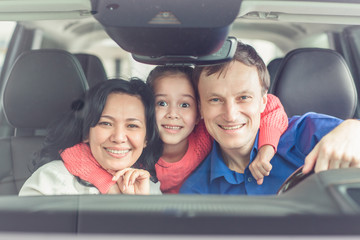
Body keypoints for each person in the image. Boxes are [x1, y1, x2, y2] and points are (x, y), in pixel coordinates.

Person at [60, 66, 288, 194]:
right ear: (147, 110)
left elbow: (271, 106)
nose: (173, 114)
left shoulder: (205, 133)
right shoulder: (135, 149)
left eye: (185, 104)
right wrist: (108, 185)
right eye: (161, 103)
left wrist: (266, 150)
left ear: (200, 111)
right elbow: (74, 153)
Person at [179, 41, 360, 195]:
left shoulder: (306, 134)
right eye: (215, 99)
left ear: (263, 101)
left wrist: (353, 129)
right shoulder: (196, 191)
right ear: (201, 108)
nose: (231, 114)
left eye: (244, 98)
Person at [19, 78, 163, 196]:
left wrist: (137, 205)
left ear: (146, 138)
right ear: (87, 132)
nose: (118, 138)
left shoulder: (149, 189)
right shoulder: (52, 180)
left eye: (132, 126)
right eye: (106, 123)